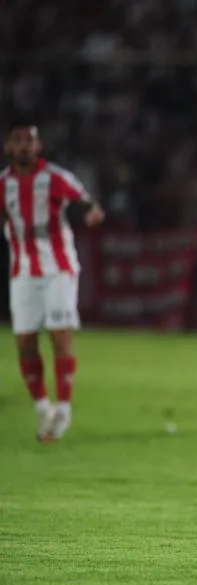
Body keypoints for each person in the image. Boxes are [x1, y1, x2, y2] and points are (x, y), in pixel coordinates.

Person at [1, 120, 105, 442]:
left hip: (58, 268)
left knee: (60, 335)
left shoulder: (55, 177)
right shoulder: (3, 185)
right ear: (9, 148)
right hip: (22, 272)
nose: (25, 147)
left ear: (38, 147)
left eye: (30, 141)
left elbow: (86, 199)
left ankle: (64, 408)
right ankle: (43, 407)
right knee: (25, 344)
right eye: (19, 141)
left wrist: (92, 212)